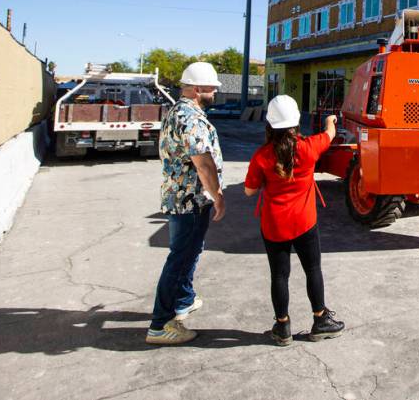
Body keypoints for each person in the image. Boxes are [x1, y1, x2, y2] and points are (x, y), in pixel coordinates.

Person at [244, 95, 345, 345]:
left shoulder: (262, 156)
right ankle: (321, 319)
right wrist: (331, 120)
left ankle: (282, 327)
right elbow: (330, 133)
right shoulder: (309, 147)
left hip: (274, 225)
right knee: (313, 269)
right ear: (296, 122)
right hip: (305, 222)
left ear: (269, 124)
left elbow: (249, 191)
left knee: (279, 276)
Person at [145, 62, 225, 345]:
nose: (215, 92)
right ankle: (160, 325)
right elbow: (203, 163)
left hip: (182, 198)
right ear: (198, 89)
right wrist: (218, 196)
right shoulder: (190, 118)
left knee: (188, 252)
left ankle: (183, 300)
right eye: (212, 88)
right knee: (179, 259)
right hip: (189, 201)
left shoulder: (177, 112)